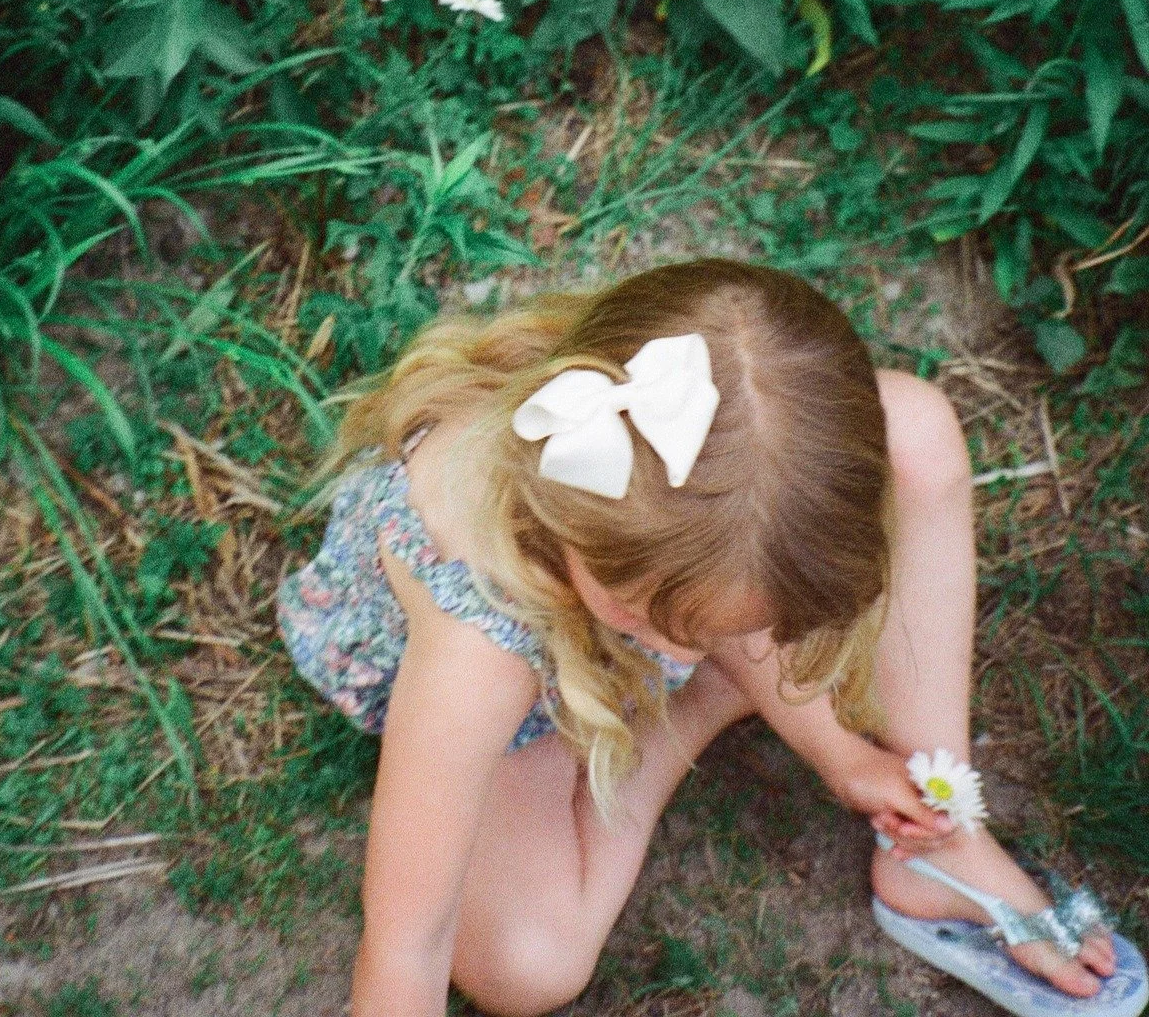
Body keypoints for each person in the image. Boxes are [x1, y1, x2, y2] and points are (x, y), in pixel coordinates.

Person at [277, 259, 1139, 1017]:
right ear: (581, 538)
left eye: (726, 636)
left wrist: (844, 759)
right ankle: (688, 725)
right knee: (526, 968)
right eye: (654, 625)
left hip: (628, 577)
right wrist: (735, 692)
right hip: (519, 704)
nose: (680, 659)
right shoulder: (483, 648)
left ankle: (942, 839)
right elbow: (403, 947)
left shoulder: (717, 438)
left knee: (911, 428)